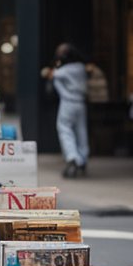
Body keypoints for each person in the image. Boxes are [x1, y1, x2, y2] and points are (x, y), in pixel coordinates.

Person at [43, 43, 89, 178]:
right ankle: (82, 159)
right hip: (80, 103)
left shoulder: (66, 69)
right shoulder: (81, 67)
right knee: (81, 132)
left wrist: (47, 71)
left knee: (65, 129)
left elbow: (49, 74)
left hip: (68, 103)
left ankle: (72, 158)